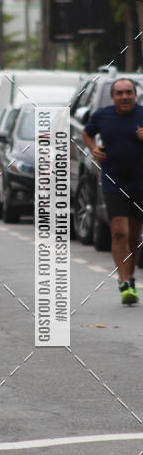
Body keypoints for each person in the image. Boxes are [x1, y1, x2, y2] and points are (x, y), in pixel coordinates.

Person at [83, 77, 143, 305]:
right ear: (113, 97)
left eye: (128, 92)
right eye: (120, 93)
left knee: (135, 235)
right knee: (119, 232)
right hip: (113, 182)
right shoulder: (102, 116)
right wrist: (93, 149)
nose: (125, 96)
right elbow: (87, 133)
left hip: (140, 183)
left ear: (135, 95)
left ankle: (131, 275)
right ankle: (124, 281)